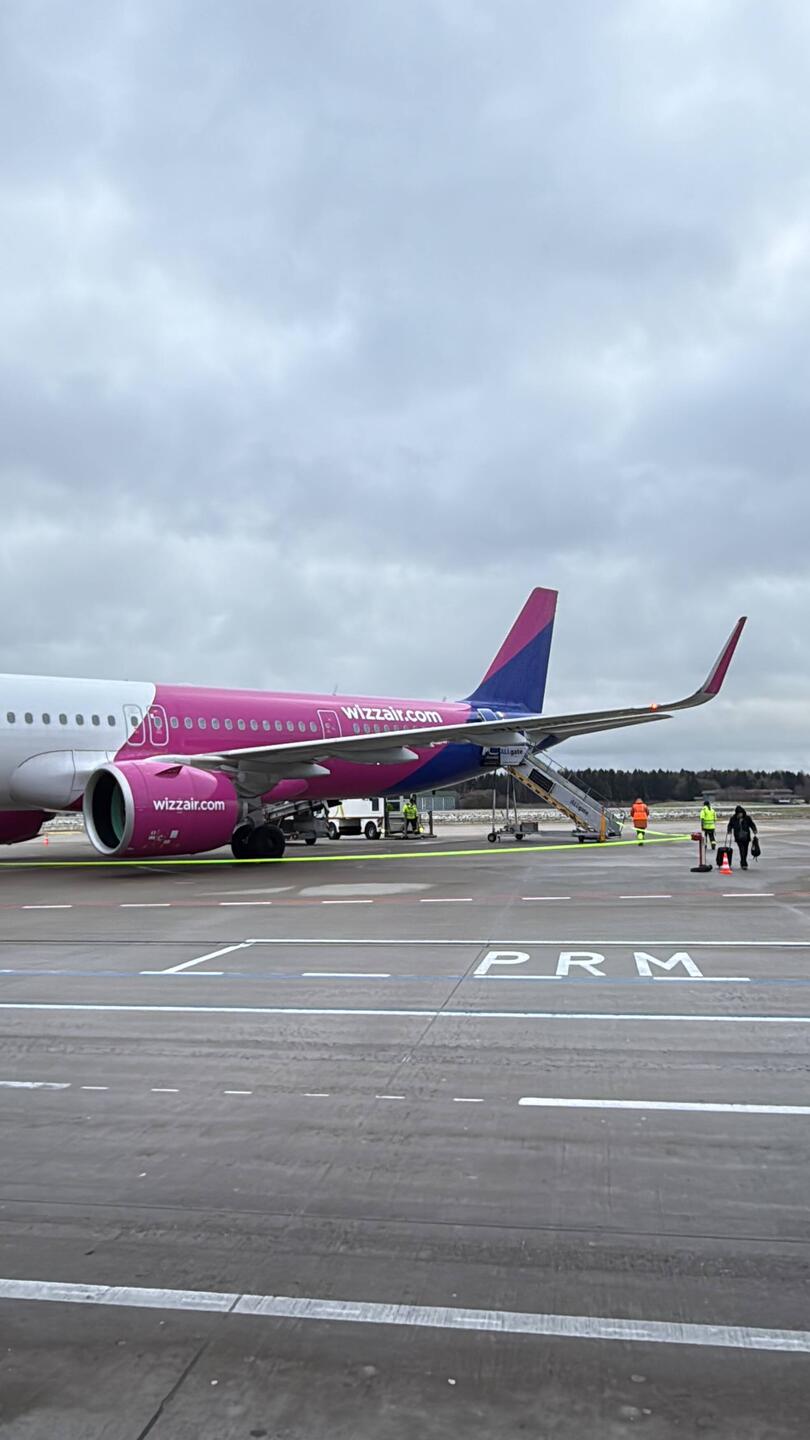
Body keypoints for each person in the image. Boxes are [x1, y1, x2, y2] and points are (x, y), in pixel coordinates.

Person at [726, 805, 758, 870]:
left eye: (741, 813)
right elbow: (730, 825)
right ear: (736, 813)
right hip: (738, 837)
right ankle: (744, 863)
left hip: (746, 837)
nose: (740, 814)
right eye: (739, 813)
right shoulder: (733, 818)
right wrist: (729, 830)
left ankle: (743, 861)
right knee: (742, 850)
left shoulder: (747, 818)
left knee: (745, 850)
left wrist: (754, 830)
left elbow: (752, 824)